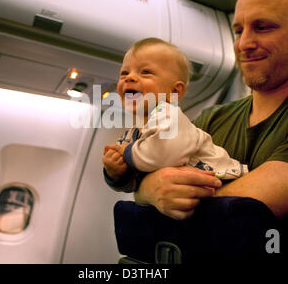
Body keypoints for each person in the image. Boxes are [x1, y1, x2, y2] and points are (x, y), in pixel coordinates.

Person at [132, 0, 288, 221]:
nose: (243, 43)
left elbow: (243, 210)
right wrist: (149, 189)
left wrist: (154, 190)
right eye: (238, 31)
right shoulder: (212, 118)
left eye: (263, 27)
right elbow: (152, 181)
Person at [102, 37, 248, 193]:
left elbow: (162, 154)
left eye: (145, 72)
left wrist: (126, 152)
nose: (129, 77)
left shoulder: (170, 116)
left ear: (174, 92)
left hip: (229, 185)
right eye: (124, 73)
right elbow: (136, 184)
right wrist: (116, 172)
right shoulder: (132, 134)